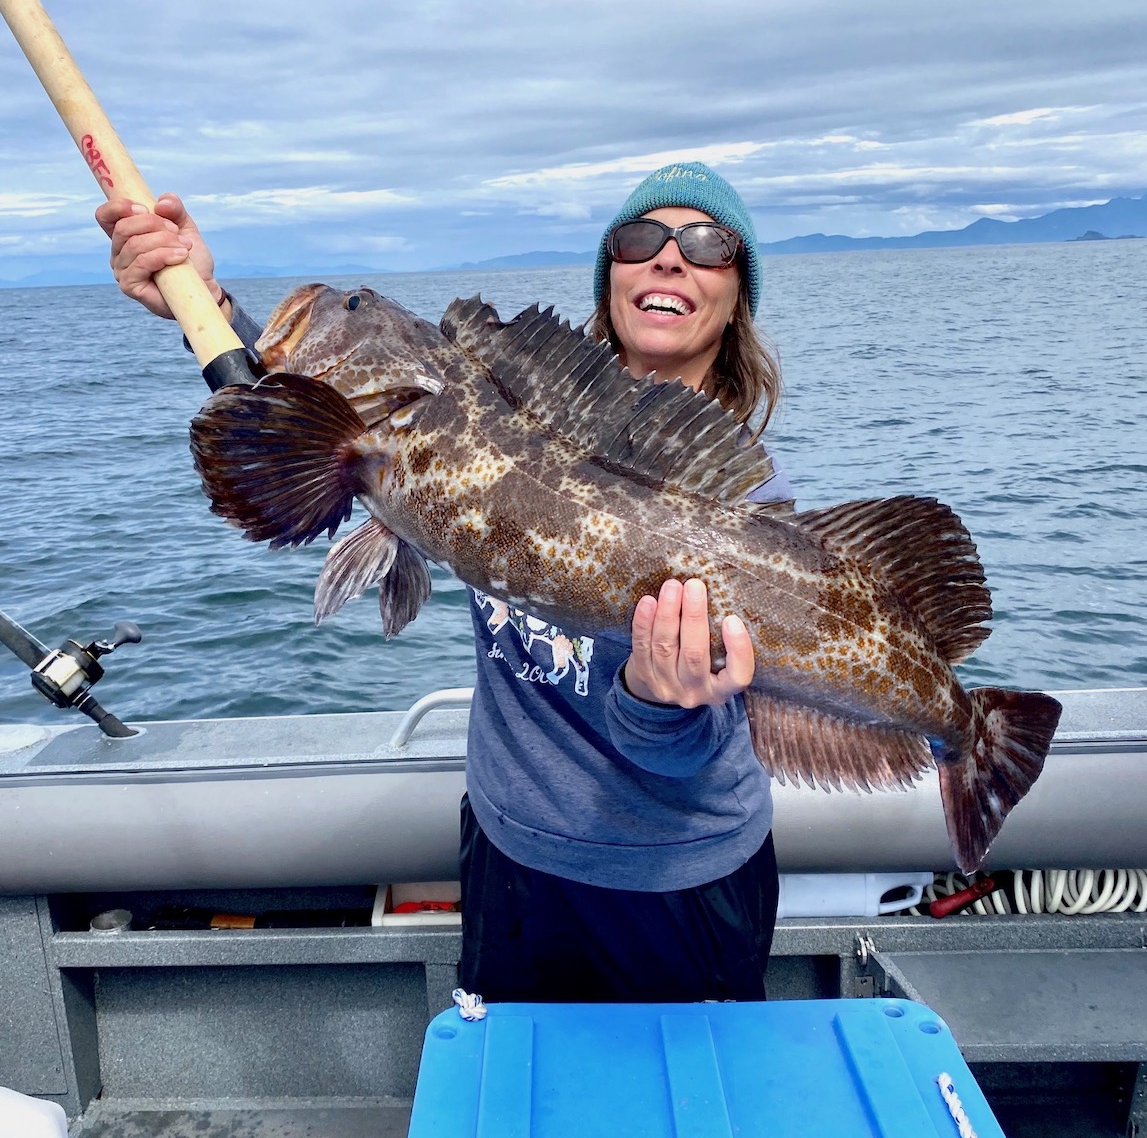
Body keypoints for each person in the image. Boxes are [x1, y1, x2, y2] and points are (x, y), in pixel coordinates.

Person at [97, 161, 790, 1004]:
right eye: (640, 238)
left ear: (737, 293)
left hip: (683, 876)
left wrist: (657, 703)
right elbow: (333, 415)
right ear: (610, 272)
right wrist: (200, 301)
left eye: (707, 244)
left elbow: (701, 748)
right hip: (512, 854)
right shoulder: (496, 412)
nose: (668, 259)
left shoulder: (745, 508)